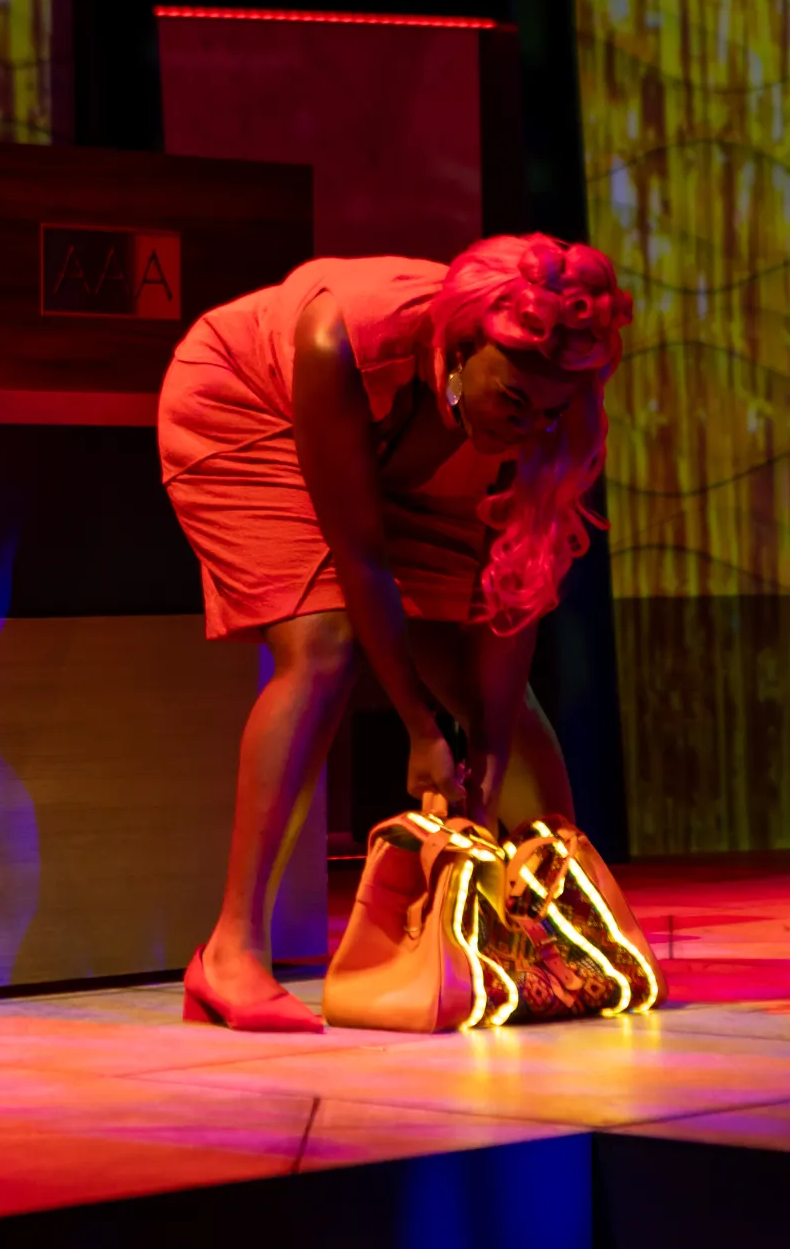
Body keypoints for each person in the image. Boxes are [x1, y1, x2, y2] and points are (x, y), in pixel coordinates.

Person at [159, 234, 634, 1033]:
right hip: (251, 403)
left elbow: (511, 590)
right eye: (514, 402)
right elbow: (361, 558)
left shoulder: (549, 404)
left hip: (415, 450)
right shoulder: (341, 338)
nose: (529, 429)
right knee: (326, 643)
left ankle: (561, 927)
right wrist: (420, 729)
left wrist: (482, 740)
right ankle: (230, 950)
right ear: (465, 345)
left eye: (548, 413)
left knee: (504, 714)